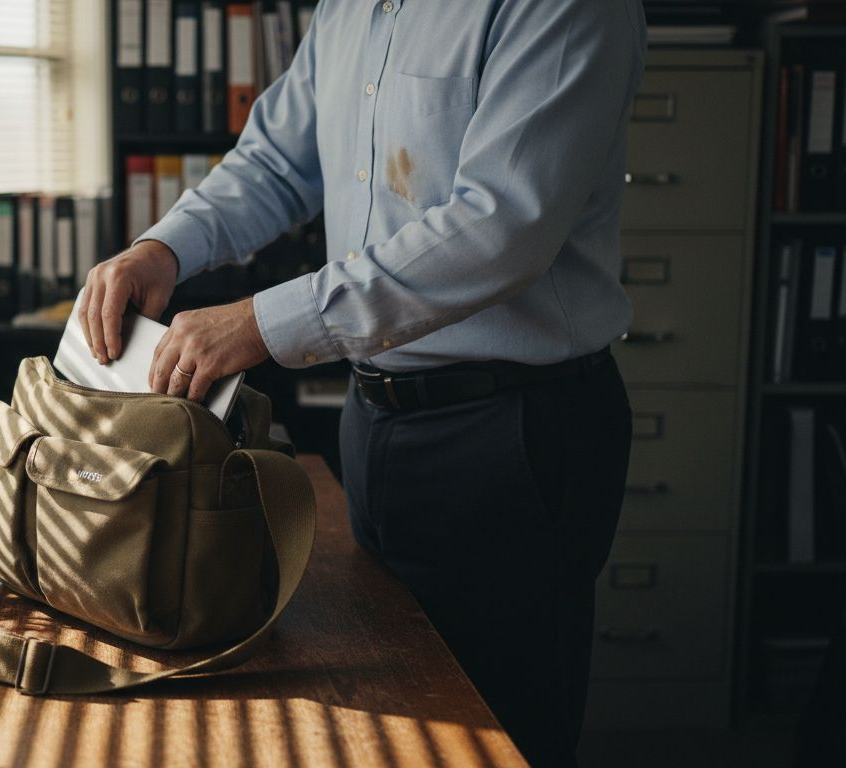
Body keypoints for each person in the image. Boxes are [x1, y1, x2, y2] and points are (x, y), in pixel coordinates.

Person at [79, 1, 645, 765]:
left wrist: (260, 323)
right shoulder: (349, 8)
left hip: (514, 434)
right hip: (374, 419)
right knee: (394, 721)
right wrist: (164, 249)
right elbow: (277, 163)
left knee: (499, 735)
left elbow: (499, 228)